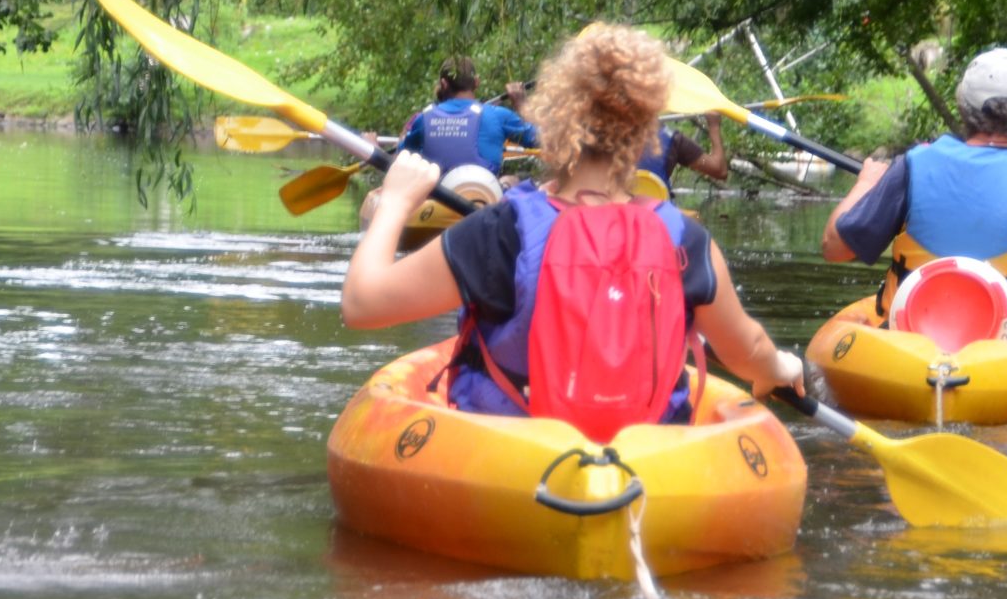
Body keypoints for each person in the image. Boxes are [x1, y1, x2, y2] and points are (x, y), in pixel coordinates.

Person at [344, 24, 806, 422]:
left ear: (555, 116)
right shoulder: (686, 240)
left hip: (514, 461)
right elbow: (749, 355)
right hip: (647, 467)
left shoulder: (503, 229)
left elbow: (363, 304)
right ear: (647, 128)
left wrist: (395, 204)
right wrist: (782, 368)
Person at [820, 46, 1007, 337]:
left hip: (909, 347)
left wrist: (866, 184)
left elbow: (834, 249)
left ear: (961, 103)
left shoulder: (909, 168)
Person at [396, 55, 538, 173]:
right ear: (476, 82)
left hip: (438, 201)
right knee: (512, 182)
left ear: (443, 84)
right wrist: (522, 104)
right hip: (484, 199)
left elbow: (401, 157)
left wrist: (403, 136)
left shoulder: (423, 120)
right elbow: (539, 139)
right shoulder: (498, 116)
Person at [636, 114, 728, 187]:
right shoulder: (675, 141)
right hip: (656, 209)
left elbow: (717, 169)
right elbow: (719, 169)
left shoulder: (676, 142)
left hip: (624, 208)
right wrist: (714, 126)